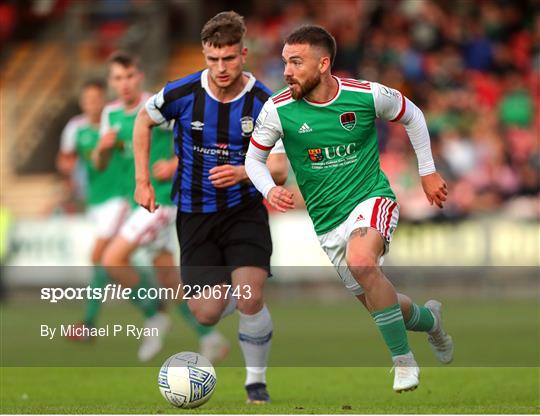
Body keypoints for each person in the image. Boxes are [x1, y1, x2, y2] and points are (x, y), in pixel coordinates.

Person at [245, 25, 454, 393]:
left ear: (323, 64)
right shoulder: (278, 109)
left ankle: (403, 363)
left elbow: (413, 115)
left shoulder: (364, 95)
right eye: (284, 63)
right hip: (327, 222)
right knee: (380, 303)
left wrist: (427, 172)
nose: (287, 71)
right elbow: (254, 160)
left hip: (371, 197)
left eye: (296, 62)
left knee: (363, 263)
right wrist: (268, 190)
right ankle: (430, 320)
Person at [133, 11, 288, 403]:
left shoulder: (266, 103)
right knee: (204, 313)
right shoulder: (182, 93)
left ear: (244, 54)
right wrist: (142, 181)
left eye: (229, 59)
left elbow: (281, 170)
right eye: (213, 59)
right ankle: (243, 296)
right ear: (204, 55)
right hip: (195, 215)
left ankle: (256, 383)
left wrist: (241, 172)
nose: (221, 68)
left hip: (244, 213)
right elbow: (142, 120)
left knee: (251, 296)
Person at [96, 51, 228, 363]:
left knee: (112, 260)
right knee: (170, 280)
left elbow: (199, 141)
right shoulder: (110, 114)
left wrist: (174, 163)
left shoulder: (157, 106)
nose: (124, 84)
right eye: (117, 78)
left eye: (129, 77)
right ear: (111, 83)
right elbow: (100, 164)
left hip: (164, 201)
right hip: (140, 202)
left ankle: (153, 313)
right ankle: (210, 337)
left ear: (139, 77)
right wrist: (102, 149)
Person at [57, 80, 130, 339]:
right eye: (88, 99)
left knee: (99, 257)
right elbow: (65, 158)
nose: (92, 104)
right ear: (82, 102)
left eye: (97, 98)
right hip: (96, 202)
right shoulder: (75, 128)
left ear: (103, 100)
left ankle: (87, 324)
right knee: (117, 264)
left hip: (120, 199)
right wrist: (69, 170)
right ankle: (153, 307)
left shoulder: (115, 124)